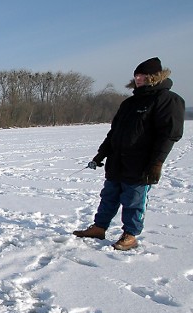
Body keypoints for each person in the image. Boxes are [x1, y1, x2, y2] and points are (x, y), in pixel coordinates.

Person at [73, 57, 185, 250]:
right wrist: (101, 154)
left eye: (143, 75)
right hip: (117, 161)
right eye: (137, 75)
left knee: (133, 199)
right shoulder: (129, 103)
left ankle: (130, 235)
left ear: (155, 76)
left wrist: (157, 163)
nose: (139, 78)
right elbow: (114, 133)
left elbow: (168, 135)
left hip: (141, 163)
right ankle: (99, 228)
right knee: (109, 196)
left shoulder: (168, 100)